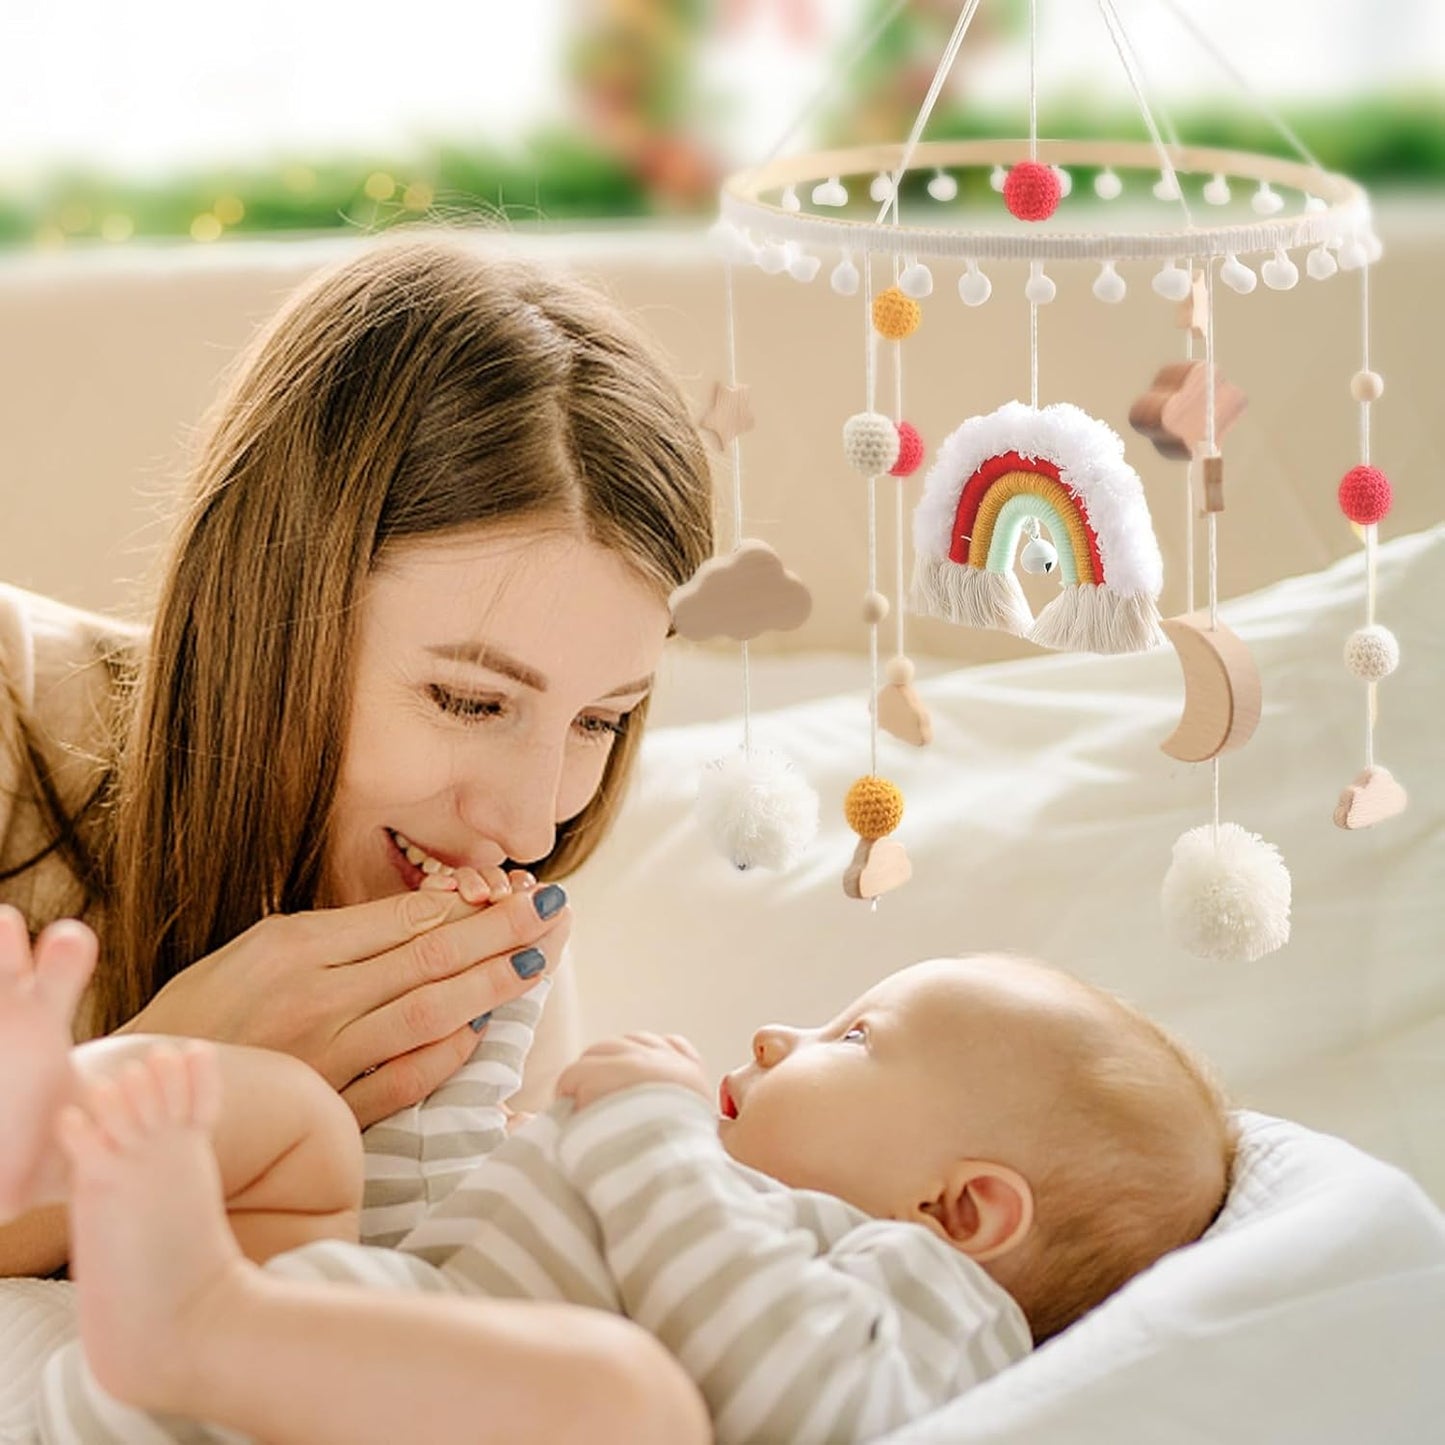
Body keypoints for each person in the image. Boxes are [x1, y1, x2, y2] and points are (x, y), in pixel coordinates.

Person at [0, 232, 716, 1440]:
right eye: (469, 700)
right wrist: (176, 1067)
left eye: (600, 719)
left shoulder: (484, 959)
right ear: (276, 602)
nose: (529, 819)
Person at [5, 917, 1236, 1445]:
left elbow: (807, 1404)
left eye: (854, 1037)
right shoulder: (700, 1194)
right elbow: (429, 1234)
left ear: (960, 1207)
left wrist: (651, 1126)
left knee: (626, 1403)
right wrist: (495, 1039)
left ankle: (197, 1318)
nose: (780, 1033)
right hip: (292, 1364)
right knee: (304, 1129)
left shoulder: (926, 1300)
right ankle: (56, 1136)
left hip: (264, 1386)